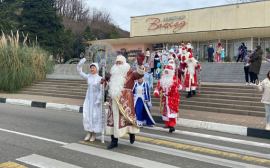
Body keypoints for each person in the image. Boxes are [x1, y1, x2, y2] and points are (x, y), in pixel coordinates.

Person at [105, 54, 145, 149]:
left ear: (124, 64)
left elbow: (139, 74)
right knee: (113, 120)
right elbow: (109, 85)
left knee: (127, 118)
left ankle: (131, 133)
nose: (118, 64)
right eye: (117, 63)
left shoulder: (130, 72)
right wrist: (105, 83)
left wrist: (140, 65)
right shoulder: (112, 74)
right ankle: (114, 141)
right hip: (114, 100)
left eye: (120, 62)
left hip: (126, 100)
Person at [77, 58, 103, 142]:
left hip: (96, 100)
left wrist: (99, 99)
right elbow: (79, 71)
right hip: (88, 99)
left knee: (95, 116)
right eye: (91, 68)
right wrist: (82, 62)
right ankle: (88, 132)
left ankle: (94, 134)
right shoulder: (88, 77)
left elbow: (102, 90)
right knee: (88, 115)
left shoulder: (100, 78)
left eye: (93, 68)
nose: (92, 69)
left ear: (97, 69)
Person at [154, 65, 184, 133]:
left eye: (167, 72)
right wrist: (156, 92)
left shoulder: (175, 79)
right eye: (166, 71)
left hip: (173, 98)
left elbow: (181, 87)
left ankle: (172, 125)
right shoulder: (162, 79)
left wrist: (179, 86)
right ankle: (167, 124)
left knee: (172, 111)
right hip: (165, 98)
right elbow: (158, 86)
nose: (166, 73)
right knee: (166, 111)